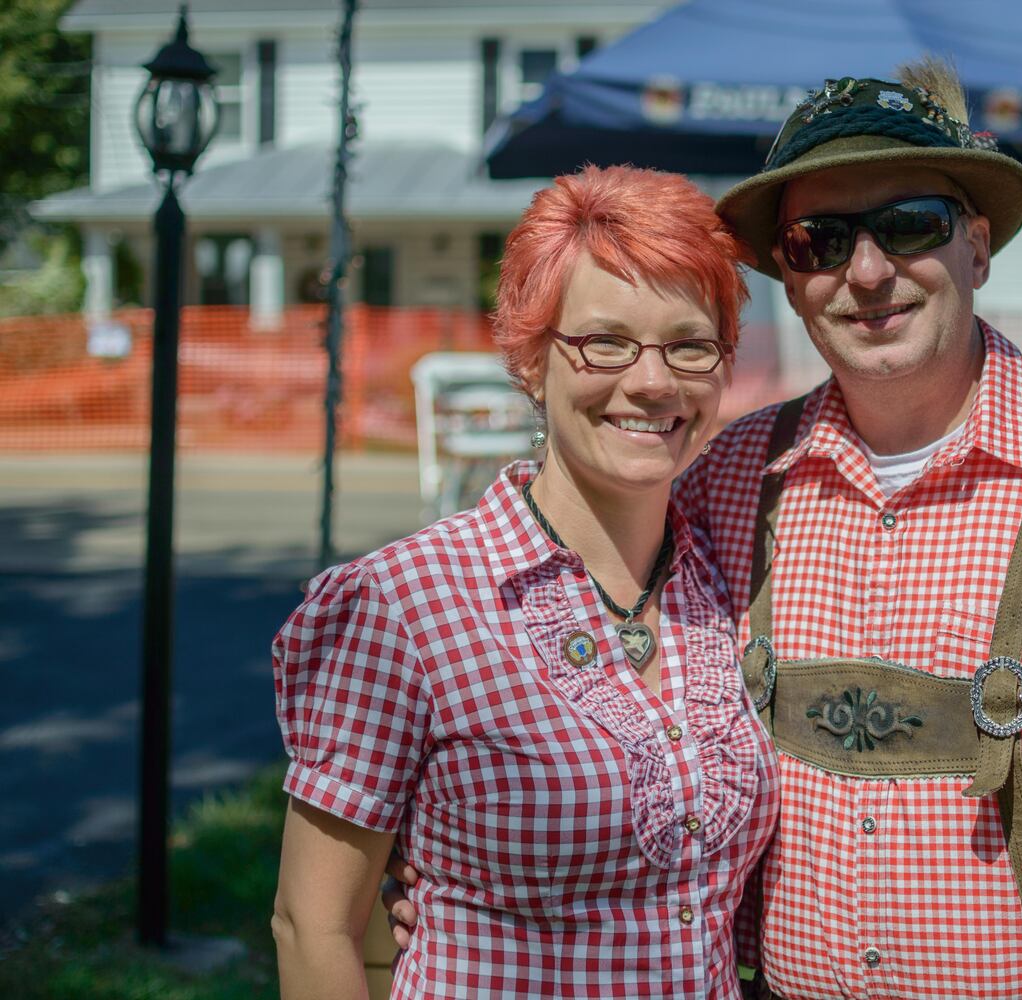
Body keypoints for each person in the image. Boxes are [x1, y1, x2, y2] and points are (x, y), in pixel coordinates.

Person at [389, 61, 1022, 999]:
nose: (866, 273)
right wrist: (438, 863)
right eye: (819, 241)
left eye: (910, 226)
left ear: (977, 247)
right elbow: (570, 700)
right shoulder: (725, 482)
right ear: (787, 275)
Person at [270, 164, 779, 1000]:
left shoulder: (727, 583)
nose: (653, 382)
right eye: (605, 341)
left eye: (689, 344)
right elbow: (311, 925)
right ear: (533, 361)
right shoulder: (404, 604)